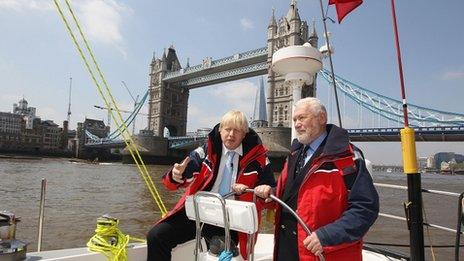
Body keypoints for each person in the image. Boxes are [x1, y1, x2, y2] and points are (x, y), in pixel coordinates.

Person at [254, 97, 379, 261]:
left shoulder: (347, 157)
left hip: (321, 251)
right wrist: (272, 192)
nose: (297, 124)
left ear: (321, 118)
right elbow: (293, 193)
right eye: (294, 119)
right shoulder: (294, 154)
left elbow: (366, 208)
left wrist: (327, 236)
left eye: (302, 118)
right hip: (286, 245)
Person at [147, 110, 275, 261]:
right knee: (157, 235)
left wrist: (257, 191)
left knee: (223, 252)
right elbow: (178, 178)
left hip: (233, 220)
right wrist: (176, 175)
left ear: (244, 134)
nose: (231, 134)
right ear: (220, 130)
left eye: (237, 130)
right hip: (201, 212)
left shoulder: (259, 159)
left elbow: (272, 195)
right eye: (227, 129)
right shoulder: (205, 151)